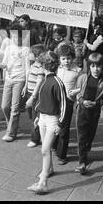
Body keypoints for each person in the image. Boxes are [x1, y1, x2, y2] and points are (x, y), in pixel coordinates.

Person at [27, 51, 70, 194]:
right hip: (44, 118)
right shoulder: (45, 80)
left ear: (45, 66)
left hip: (52, 120)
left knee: (44, 150)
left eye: (40, 64)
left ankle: (43, 182)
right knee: (47, 150)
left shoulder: (57, 82)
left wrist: (60, 124)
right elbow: (42, 100)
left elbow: (64, 105)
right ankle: (49, 169)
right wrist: (39, 115)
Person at [74, 53, 103, 174]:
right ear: (89, 66)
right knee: (82, 135)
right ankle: (82, 161)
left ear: (102, 67)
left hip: (95, 111)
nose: (95, 69)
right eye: (93, 66)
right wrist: (82, 101)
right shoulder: (83, 78)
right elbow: (77, 93)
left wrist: (98, 103)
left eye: (98, 66)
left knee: (90, 134)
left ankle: (85, 151)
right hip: (82, 110)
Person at [0, 23, 30, 142]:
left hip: (20, 79)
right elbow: (4, 63)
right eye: (13, 37)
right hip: (8, 79)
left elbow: (27, 69)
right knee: (4, 106)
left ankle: (11, 133)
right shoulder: (8, 48)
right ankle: (10, 123)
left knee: (15, 107)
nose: (15, 39)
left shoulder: (26, 50)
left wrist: (26, 85)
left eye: (18, 37)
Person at [52, 44, 82, 164]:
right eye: (63, 58)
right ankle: (54, 145)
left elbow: (81, 86)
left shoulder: (78, 71)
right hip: (56, 100)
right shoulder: (57, 69)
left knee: (64, 128)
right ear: (59, 59)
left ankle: (62, 154)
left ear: (73, 58)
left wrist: (75, 91)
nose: (66, 61)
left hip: (68, 102)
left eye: (69, 58)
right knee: (55, 124)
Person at [25, 44, 47, 148]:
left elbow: (38, 83)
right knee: (31, 115)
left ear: (37, 56)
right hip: (30, 93)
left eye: (31, 53)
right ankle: (40, 133)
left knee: (35, 117)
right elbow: (29, 77)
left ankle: (35, 139)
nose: (29, 54)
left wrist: (32, 97)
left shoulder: (41, 67)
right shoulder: (33, 65)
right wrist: (25, 88)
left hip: (36, 95)